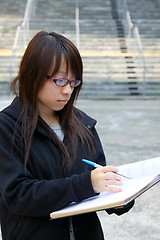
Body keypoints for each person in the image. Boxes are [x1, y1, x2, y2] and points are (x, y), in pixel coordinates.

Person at [0, 31, 134, 240]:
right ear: (33, 74)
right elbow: (18, 194)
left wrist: (121, 194)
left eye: (73, 82)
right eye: (60, 80)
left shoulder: (84, 125)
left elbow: (96, 179)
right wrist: (85, 184)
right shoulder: (7, 127)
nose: (67, 91)